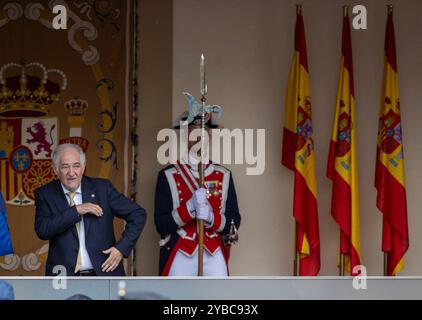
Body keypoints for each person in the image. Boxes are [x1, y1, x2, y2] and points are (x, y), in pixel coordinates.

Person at [34, 143, 146, 276]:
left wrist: (121, 248)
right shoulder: (45, 193)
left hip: (104, 273)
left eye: (76, 166)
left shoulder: (102, 188)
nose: (71, 172)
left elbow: (138, 213)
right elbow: (43, 230)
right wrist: (76, 210)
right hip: (63, 277)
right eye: (65, 167)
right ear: (55, 169)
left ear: (83, 166)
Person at [154, 112, 241, 276]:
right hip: (180, 249)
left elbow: (234, 223)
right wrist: (188, 208)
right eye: (193, 130)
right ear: (185, 134)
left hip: (214, 251)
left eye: (203, 131)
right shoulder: (167, 175)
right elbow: (161, 225)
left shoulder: (224, 175)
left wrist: (211, 217)